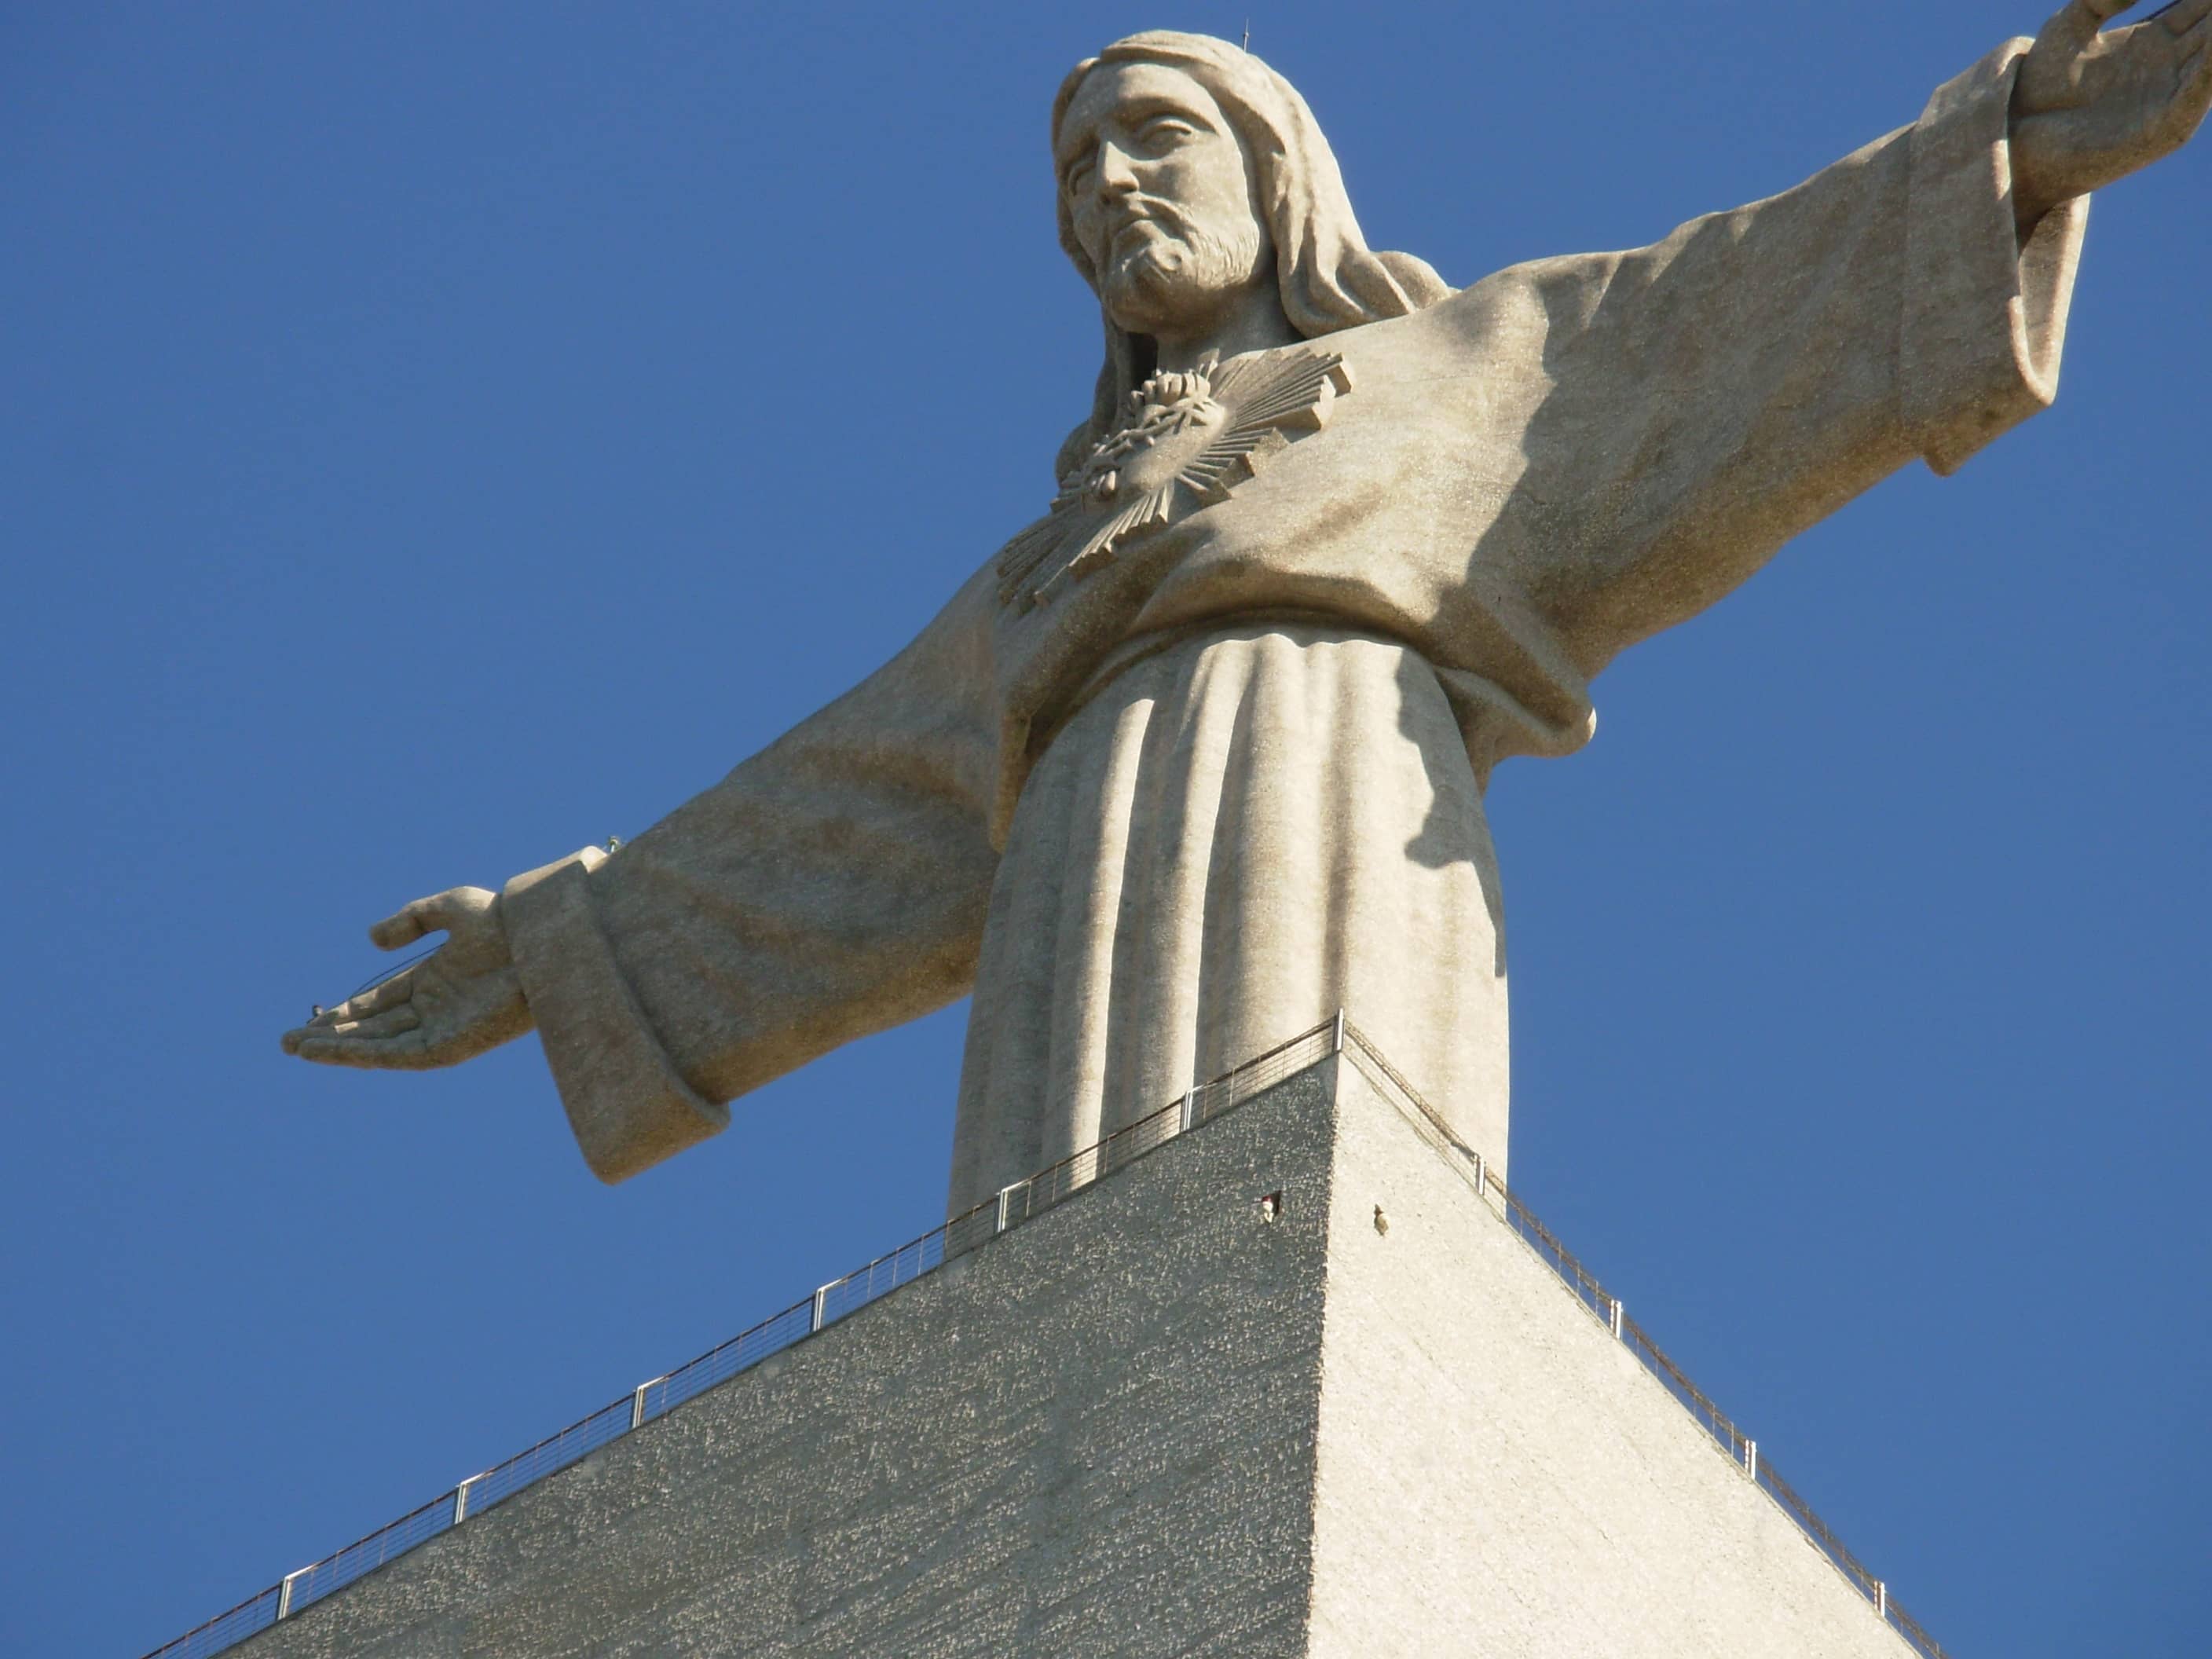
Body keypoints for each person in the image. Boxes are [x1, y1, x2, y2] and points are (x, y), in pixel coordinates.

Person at [285, 6, 2212, 1217]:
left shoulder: (1469, 369)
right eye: (1075, 174)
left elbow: (1732, 304)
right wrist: (570, 942)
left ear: (1273, 175)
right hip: (1070, 885)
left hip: (1324, 775)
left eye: (1155, 139)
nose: (1111, 187)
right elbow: (851, 801)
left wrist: (2015, 148)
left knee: (1307, 1224)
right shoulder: (1053, 561)